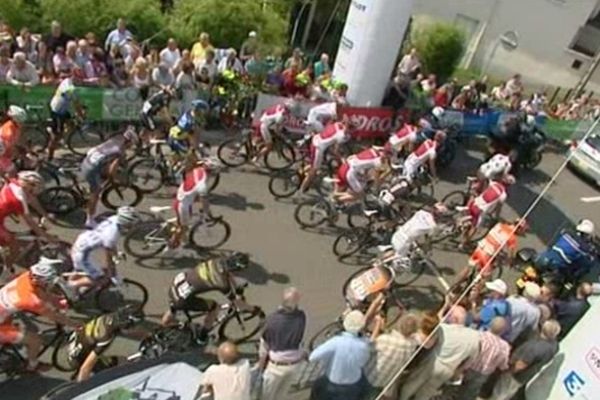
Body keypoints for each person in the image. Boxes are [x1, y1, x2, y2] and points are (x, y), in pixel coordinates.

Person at [0, 257, 79, 371]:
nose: (50, 286)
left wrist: (56, 301)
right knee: (35, 340)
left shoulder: (27, 276)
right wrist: (77, 324)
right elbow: (54, 316)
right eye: (48, 283)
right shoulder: (31, 300)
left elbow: (41, 293)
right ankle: (32, 366)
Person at [161, 253, 251, 342]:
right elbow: (237, 303)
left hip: (176, 285)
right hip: (182, 299)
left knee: (175, 305)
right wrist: (252, 309)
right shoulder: (222, 284)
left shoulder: (217, 260)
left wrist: (236, 286)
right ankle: (202, 337)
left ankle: (164, 323)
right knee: (214, 307)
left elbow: (228, 275)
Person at [67, 207, 141, 294]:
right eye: (132, 223)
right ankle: (70, 285)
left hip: (82, 242)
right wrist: (112, 272)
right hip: (83, 254)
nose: (133, 225)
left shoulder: (114, 219)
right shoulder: (112, 234)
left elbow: (111, 246)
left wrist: (116, 254)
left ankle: (72, 287)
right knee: (102, 279)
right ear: (125, 222)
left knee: (80, 270)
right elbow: (108, 257)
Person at [398, 323, 481, 400]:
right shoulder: (475, 340)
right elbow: (470, 361)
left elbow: (429, 343)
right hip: (449, 369)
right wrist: (458, 371)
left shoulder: (445, 328)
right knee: (427, 391)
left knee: (414, 382)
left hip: (434, 361)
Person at [80, 127, 139, 227]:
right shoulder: (118, 152)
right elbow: (112, 172)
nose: (131, 146)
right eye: (131, 144)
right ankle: (89, 221)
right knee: (96, 193)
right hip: (91, 170)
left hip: (87, 161)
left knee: (102, 172)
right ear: (128, 142)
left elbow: (93, 151)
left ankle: (88, 188)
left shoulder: (114, 141)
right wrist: (112, 180)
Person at [0, 171, 57, 273]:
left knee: (17, 231)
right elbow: (30, 221)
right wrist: (47, 237)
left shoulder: (14, 182)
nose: (33, 192)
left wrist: (45, 215)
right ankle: (6, 271)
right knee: (15, 247)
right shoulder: (19, 198)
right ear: (29, 186)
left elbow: (32, 200)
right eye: (32, 189)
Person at [489, 320, 560, 400]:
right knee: (507, 394)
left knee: (500, 393)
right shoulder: (555, 346)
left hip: (515, 376)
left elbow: (520, 365)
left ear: (543, 328)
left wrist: (508, 371)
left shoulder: (534, 348)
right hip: (525, 377)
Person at [309, 310, 372, 400]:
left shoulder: (336, 341)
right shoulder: (364, 345)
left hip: (333, 382)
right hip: (352, 385)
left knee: (317, 387)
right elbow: (363, 362)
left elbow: (313, 356)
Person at [258, 287, 307, 400]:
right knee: (282, 395)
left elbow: (264, 346)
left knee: (267, 396)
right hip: (294, 363)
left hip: (276, 366)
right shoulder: (301, 317)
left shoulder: (271, 320)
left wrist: (261, 365)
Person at [72, 308, 141, 381]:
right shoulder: (105, 337)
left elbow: (131, 332)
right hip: (79, 358)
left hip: (77, 343)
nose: (136, 328)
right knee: (122, 362)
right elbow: (85, 368)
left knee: (120, 360)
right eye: (134, 327)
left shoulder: (110, 318)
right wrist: (83, 387)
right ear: (125, 326)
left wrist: (148, 335)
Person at [455, 219, 527, 289]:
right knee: (487, 277)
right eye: (523, 231)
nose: (522, 233)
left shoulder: (499, 225)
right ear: (519, 229)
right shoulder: (512, 237)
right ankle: (474, 294)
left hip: (481, 247)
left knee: (469, 267)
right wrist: (511, 262)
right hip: (487, 254)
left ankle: (455, 286)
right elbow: (511, 254)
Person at [365, 313, 419, 399]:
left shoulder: (385, 339)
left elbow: (368, 348)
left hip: (369, 375)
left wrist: (378, 325)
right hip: (384, 382)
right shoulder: (411, 345)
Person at [170, 156, 219, 248]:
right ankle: (173, 242)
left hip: (181, 195)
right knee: (184, 227)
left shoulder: (197, 170)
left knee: (180, 220)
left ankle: (177, 228)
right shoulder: (202, 186)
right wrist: (208, 213)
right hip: (183, 205)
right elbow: (205, 204)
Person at [458, 317, 511, 400]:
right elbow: (503, 365)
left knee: (454, 387)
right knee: (468, 394)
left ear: (490, 325)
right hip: (482, 375)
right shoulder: (504, 346)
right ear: (503, 331)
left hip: (466, 368)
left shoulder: (477, 335)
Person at [535, 219, 596, 285]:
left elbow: (552, 242)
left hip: (545, 256)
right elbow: (583, 262)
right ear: (586, 235)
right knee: (563, 279)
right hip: (556, 267)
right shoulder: (584, 248)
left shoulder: (566, 232)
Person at [300, 120, 353, 192]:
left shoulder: (337, 124)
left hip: (317, 140)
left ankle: (301, 171)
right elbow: (336, 151)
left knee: (317, 163)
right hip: (318, 147)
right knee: (314, 170)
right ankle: (302, 189)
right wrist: (342, 160)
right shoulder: (341, 135)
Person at [463, 175, 515, 246]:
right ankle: (463, 243)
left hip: (474, 203)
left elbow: (487, 180)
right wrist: (496, 217)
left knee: (469, 219)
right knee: (475, 227)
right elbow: (498, 208)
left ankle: (461, 228)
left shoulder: (494, 184)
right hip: (479, 210)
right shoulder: (503, 195)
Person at [47, 76, 85, 160]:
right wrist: (81, 115)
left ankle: (62, 138)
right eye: (79, 79)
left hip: (61, 107)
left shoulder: (67, 80)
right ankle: (50, 156)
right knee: (56, 135)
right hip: (57, 111)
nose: (81, 81)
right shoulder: (72, 89)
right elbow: (76, 104)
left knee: (70, 123)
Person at [0, 105, 27, 176]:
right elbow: (9, 149)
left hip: (3, 151)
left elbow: (17, 140)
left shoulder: (14, 125)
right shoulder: (9, 132)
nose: (23, 123)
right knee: (13, 173)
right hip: (2, 153)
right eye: (21, 121)